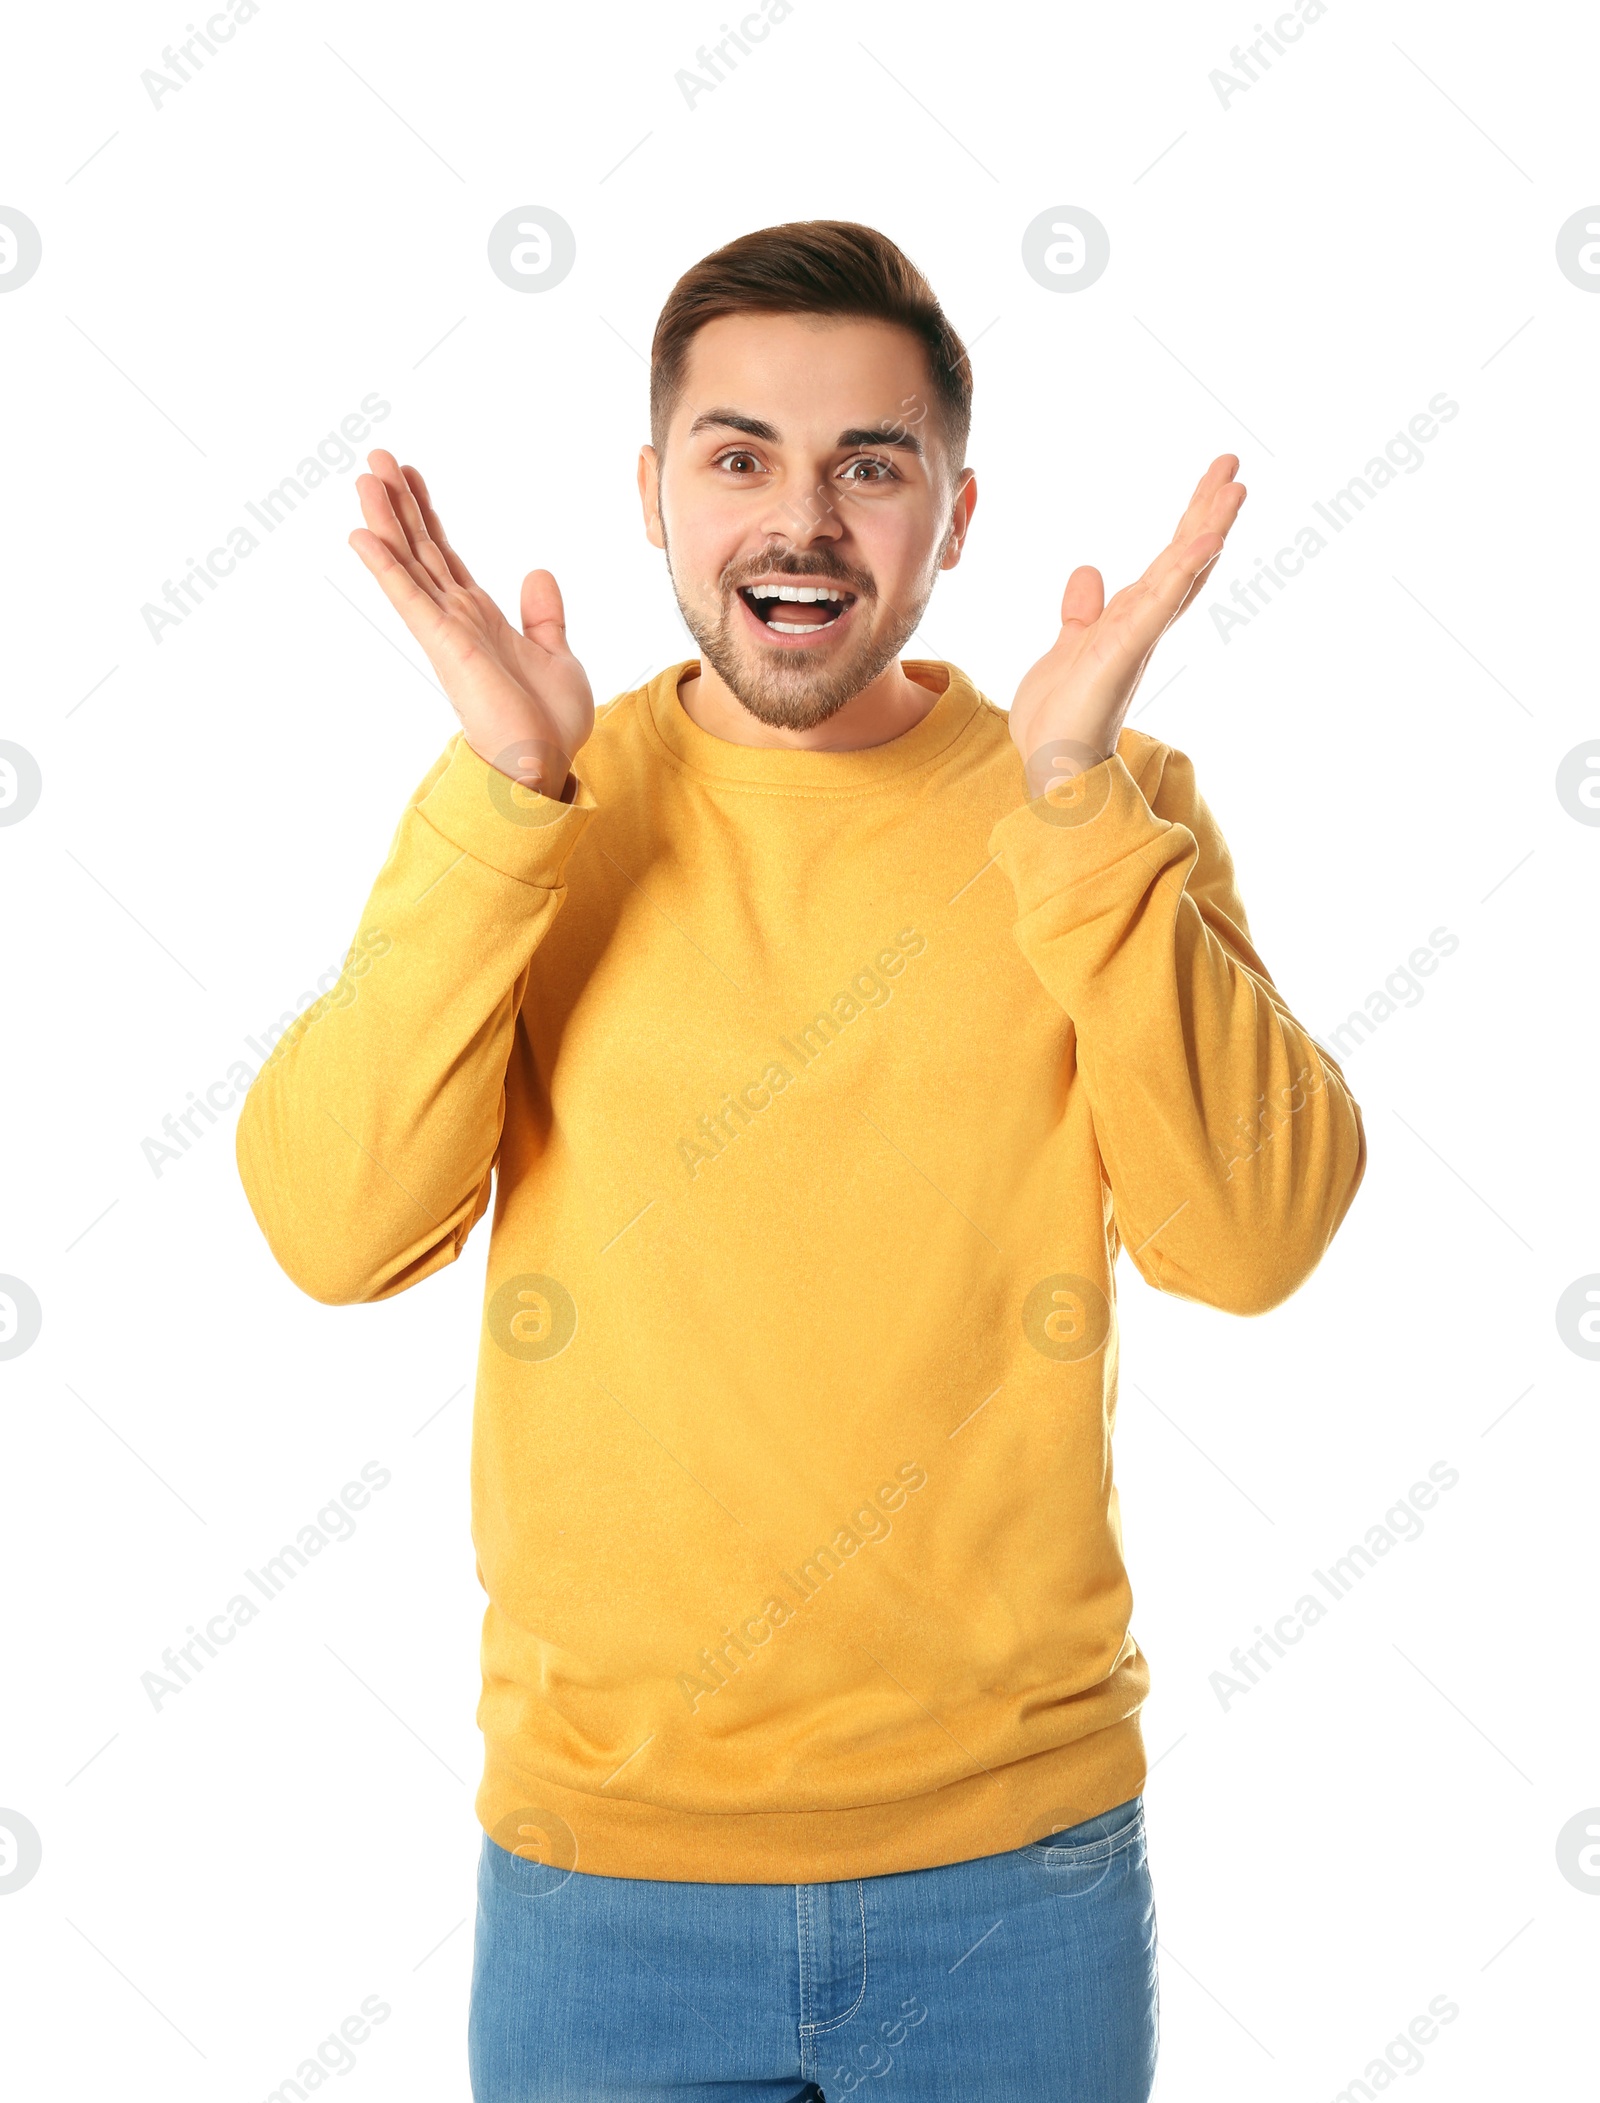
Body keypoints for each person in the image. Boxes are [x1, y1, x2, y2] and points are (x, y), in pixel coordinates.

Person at [236, 219, 1366, 2102]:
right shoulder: (537, 807)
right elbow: (334, 1234)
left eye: (872, 463)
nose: (802, 519)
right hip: (606, 1885)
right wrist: (506, 799)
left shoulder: (1107, 806)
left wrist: (1077, 808)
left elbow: (1252, 1242)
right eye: (740, 454)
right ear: (656, 496)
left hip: (1017, 1878)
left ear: (956, 513)